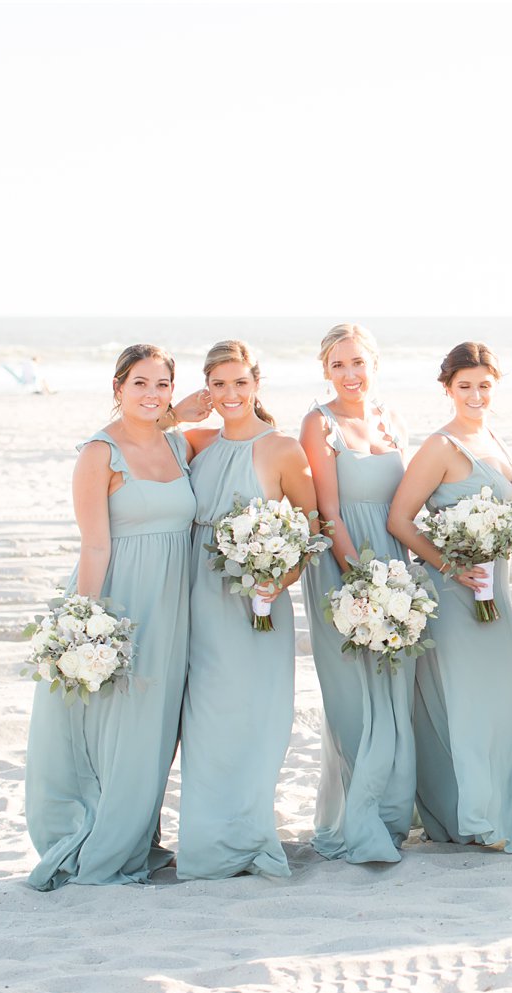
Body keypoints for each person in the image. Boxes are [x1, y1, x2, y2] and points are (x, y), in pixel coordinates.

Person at [387, 342, 512, 852]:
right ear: (447, 389)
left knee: (505, 700)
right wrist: (450, 565)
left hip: (497, 594)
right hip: (455, 598)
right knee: (469, 706)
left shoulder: (494, 438)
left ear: (496, 385)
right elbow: (399, 520)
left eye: (484, 385)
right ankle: (480, 816)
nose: (475, 394)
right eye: (464, 386)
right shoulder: (441, 447)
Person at [25, 345, 194, 889]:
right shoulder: (99, 452)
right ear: (117, 387)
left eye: (162, 385)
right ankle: (104, 836)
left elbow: (252, 428)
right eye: (140, 384)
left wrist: (182, 414)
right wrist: (87, 625)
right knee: (114, 721)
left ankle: (140, 836)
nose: (151, 394)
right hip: (120, 600)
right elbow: (94, 548)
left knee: (156, 725)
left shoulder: (178, 444)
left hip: (173, 603)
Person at [177, 340, 318, 878]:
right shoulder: (194, 442)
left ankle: (248, 832)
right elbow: (131, 436)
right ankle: (210, 843)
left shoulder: (281, 449)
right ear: (206, 390)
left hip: (257, 604)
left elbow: (311, 528)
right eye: (219, 384)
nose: (230, 393)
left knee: (256, 718)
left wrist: (278, 580)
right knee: (208, 720)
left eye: (240, 382)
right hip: (198, 598)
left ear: (256, 385)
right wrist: (176, 411)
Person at [298, 323, 416, 864]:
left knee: (394, 690)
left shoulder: (391, 419)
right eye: (339, 365)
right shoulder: (317, 424)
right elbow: (327, 513)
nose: (350, 375)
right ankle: (355, 818)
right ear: (326, 370)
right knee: (353, 695)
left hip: (395, 569)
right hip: (344, 572)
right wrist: (362, 581)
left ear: (375, 364)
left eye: (358, 363)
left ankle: (391, 814)